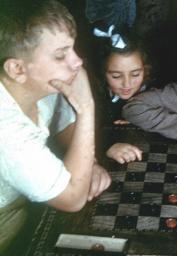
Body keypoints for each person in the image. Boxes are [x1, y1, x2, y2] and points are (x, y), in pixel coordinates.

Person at [0, 0, 111, 252]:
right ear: (17, 69)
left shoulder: (41, 82)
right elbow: (73, 199)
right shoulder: (6, 131)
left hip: (29, 206)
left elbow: (63, 128)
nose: (78, 61)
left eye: (73, 48)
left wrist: (89, 165)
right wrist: (86, 108)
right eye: (61, 55)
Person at [92, 27, 152, 163]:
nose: (127, 84)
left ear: (145, 69)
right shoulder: (95, 95)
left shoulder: (154, 90)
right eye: (116, 76)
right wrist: (106, 146)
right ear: (103, 73)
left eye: (135, 74)